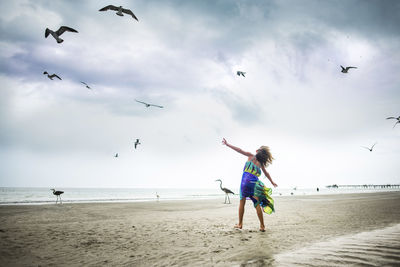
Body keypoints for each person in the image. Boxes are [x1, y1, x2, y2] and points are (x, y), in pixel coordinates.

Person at [222, 138, 277, 232]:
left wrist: (228, 144)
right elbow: (267, 174)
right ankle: (262, 226)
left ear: (258, 152)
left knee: (242, 203)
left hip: (245, 183)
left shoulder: (251, 156)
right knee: (256, 204)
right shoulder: (261, 164)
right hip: (254, 185)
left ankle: (240, 224)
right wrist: (272, 182)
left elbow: (239, 150)